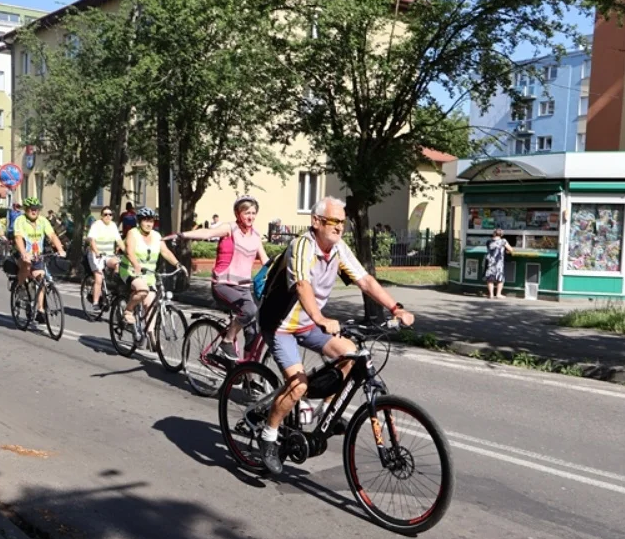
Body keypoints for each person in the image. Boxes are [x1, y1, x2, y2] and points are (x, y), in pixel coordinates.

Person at [255, 196, 415, 475]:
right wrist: (320, 319)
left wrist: (395, 308)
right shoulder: (302, 246)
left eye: (343, 222)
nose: (340, 227)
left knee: (351, 355)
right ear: (316, 222)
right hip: (280, 325)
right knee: (298, 385)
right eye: (334, 221)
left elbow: (365, 280)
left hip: (308, 324)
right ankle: (268, 437)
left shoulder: (338, 249)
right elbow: (303, 285)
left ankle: (325, 414)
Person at [172, 195, 268, 359]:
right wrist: (183, 235)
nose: (250, 216)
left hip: (243, 289)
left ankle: (246, 375)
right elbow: (207, 233)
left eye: (253, 213)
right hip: (223, 285)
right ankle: (227, 341)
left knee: (253, 331)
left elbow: (266, 262)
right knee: (250, 310)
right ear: (238, 213)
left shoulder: (256, 236)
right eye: (246, 213)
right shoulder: (230, 228)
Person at [119, 206, 186, 326]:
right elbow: (129, 251)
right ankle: (128, 311)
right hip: (130, 271)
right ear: (139, 221)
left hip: (149, 275)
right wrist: (136, 265)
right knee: (142, 290)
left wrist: (178, 264)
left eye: (151, 221)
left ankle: (153, 342)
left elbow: (165, 252)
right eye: (145, 221)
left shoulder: (156, 236)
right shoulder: (133, 233)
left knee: (151, 308)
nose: (149, 224)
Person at [14, 197, 66, 323]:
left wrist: (60, 249)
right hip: (24, 253)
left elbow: (52, 235)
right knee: (26, 265)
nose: (34, 211)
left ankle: (40, 310)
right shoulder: (20, 220)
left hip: (38, 255)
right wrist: (24, 253)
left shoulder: (43, 221)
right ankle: (20, 287)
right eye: (31, 209)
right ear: (26, 210)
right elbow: (18, 238)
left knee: (41, 278)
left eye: (36, 209)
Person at [86, 205, 124, 307]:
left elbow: (119, 240)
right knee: (98, 278)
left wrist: (126, 251)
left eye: (110, 214)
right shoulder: (96, 225)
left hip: (108, 255)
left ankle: (113, 286)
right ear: (101, 216)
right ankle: (95, 302)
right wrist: (97, 252)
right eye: (105, 214)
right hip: (95, 255)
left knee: (118, 264)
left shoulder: (113, 225)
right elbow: (91, 240)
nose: (108, 216)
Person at [485, 229, 514, 299]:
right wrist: (506, 252)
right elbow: (511, 249)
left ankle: (491, 294)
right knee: (500, 278)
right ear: (501, 235)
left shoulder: (488, 241)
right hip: (499, 262)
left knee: (490, 278)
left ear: (494, 234)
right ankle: (498, 294)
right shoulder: (503, 241)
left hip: (490, 262)